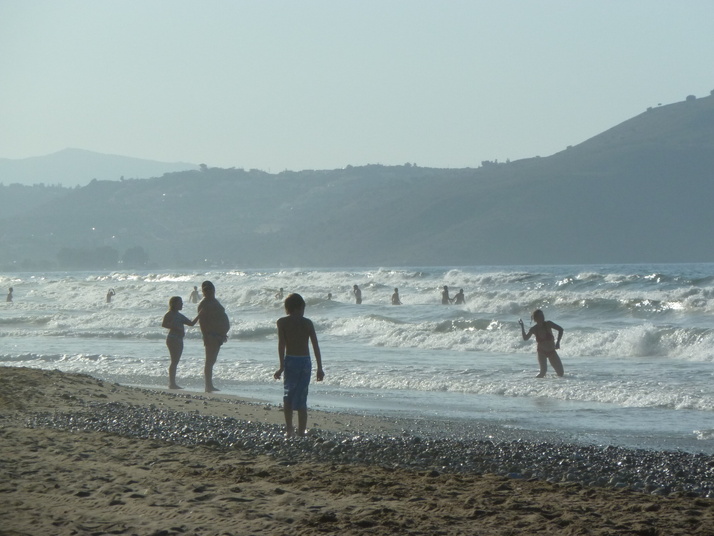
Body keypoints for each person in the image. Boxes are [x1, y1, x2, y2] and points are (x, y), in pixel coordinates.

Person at [273, 293, 324, 437]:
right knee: (302, 395)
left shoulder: (282, 322)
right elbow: (315, 346)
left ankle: (289, 429)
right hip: (305, 362)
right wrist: (319, 368)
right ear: (300, 307)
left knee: (288, 395)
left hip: (290, 361)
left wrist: (281, 366)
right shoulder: (307, 323)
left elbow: (281, 345)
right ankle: (301, 430)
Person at [197, 280, 230, 392]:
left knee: (212, 360)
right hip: (211, 335)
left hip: (218, 335)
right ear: (203, 291)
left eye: (210, 289)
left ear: (214, 289)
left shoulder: (214, 301)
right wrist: (205, 336)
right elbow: (202, 321)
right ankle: (208, 385)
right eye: (206, 290)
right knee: (209, 361)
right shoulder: (204, 303)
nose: (208, 292)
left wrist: (223, 333)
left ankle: (209, 384)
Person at [162, 296, 198, 389]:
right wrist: (174, 327)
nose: (182, 304)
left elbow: (191, 323)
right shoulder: (170, 314)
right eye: (180, 303)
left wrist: (200, 315)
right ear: (174, 304)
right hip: (173, 338)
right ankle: (172, 383)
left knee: (175, 361)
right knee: (174, 361)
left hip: (179, 339)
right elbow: (164, 324)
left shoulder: (179, 315)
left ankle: (172, 383)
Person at [519, 309, 564, 378]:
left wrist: (558, 342)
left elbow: (561, 329)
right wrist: (522, 326)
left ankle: (555, 383)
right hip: (541, 352)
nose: (543, 318)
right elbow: (525, 338)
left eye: (543, 316)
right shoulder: (534, 329)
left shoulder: (548, 324)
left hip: (552, 351)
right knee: (543, 372)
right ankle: (534, 382)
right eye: (540, 316)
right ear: (536, 318)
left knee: (561, 373)